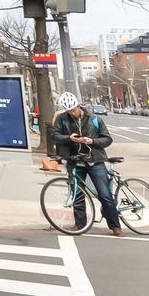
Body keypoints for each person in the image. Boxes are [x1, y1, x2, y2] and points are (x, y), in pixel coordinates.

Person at [50, 98, 121, 235]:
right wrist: (69, 138)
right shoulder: (63, 119)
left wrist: (92, 141)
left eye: (74, 110)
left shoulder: (94, 119)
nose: (72, 113)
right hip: (74, 160)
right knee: (77, 194)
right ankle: (80, 225)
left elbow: (107, 139)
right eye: (69, 111)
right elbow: (54, 135)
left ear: (79, 106)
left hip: (94, 160)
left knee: (104, 194)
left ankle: (115, 226)